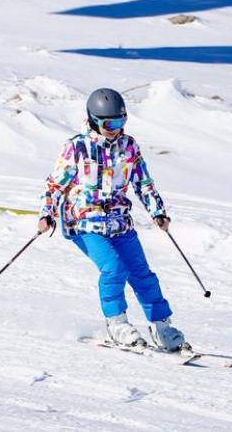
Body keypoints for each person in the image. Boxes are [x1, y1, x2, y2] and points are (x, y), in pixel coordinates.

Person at [37, 88, 186, 351]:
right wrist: (47, 214)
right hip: (83, 224)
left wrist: (157, 211)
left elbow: (143, 183)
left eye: (120, 122)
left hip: (119, 222)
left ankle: (162, 326)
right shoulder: (76, 148)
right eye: (109, 123)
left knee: (143, 273)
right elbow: (54, 186)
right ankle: (117, 323)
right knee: (114, 269)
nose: (115, 128)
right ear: (94, 120)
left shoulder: (129, 147)